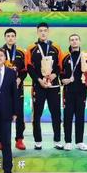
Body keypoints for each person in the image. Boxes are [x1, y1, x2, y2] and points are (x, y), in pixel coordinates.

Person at [26, 22, 63, 150]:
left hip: (54, 86)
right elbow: (29, 67)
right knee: (37, 115)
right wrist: (38, 80)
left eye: (45, 30)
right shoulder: (31, 48)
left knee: (56, 114)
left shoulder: (56, 47)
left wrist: (54, 75)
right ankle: (38, 141)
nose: (43, 33)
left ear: (48, 32)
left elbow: (60, 65)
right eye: (40, 30)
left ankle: (57, 140)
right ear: (37, 32)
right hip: (39, 86)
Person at [60, 34, 87, 151]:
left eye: (76, 39)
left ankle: (80, 142)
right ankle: (67, 141)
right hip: (68, 91)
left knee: (80, 116)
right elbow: (60, 72)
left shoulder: (85, 57)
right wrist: (63, 80)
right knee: (68, 117)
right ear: (69, 42)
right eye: (72, 40)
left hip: (81, 91)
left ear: (80, 41)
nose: (74, 41)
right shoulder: (65, 57)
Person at [2, 28, 27, 150]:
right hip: (3, 89)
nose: (10, 38)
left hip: (17, 88)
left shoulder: (21, 52)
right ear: (5, 38)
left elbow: (25, 70)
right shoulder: (0, 52)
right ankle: (2, 140)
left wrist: (20, 79)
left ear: (15, 38)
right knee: (3, 114)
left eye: (12, 36)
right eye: (8, 36)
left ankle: (19, 139)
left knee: (19, 114)